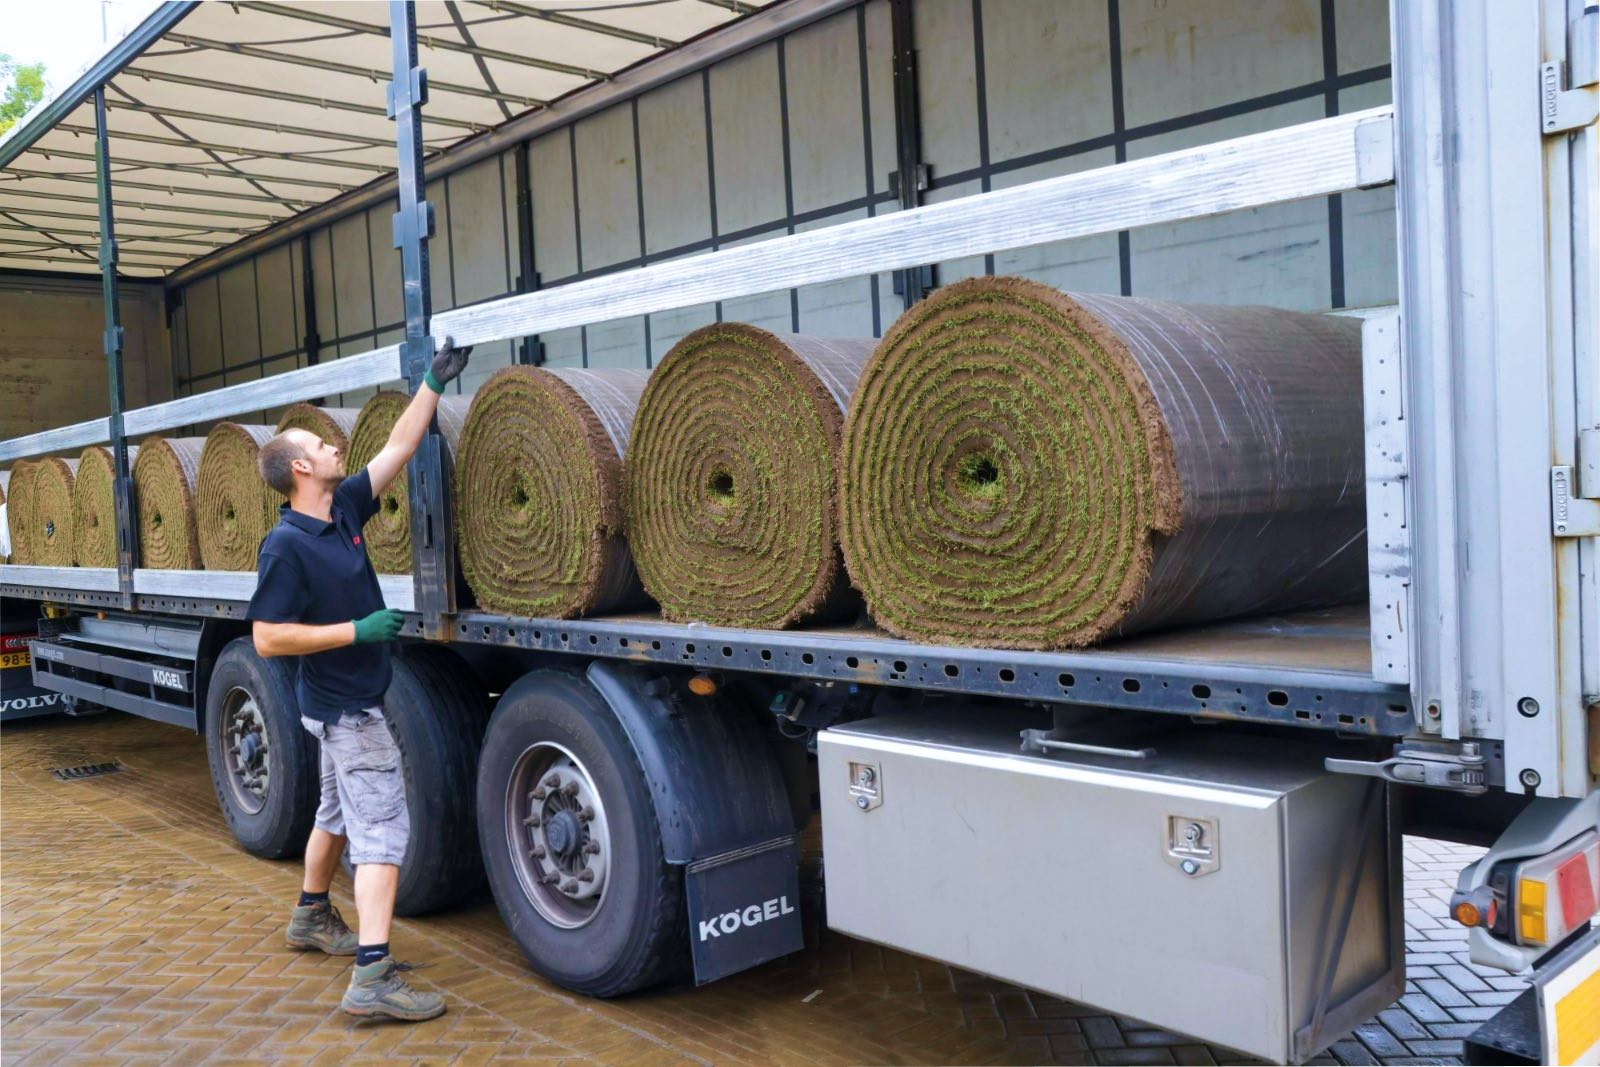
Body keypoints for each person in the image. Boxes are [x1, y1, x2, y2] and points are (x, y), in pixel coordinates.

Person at [246, 339, 470, 1021]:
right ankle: (374, 973)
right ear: (300, 468)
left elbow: (399, 449)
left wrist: (431, 382)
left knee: (335, 811)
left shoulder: (342, 505)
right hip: (346, 707)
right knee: (382, 829)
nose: (335, 445)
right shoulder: (284, 546)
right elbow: (267, 637)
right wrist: (358, 631)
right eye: (322, 442)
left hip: (333, 703)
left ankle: (312, 914)